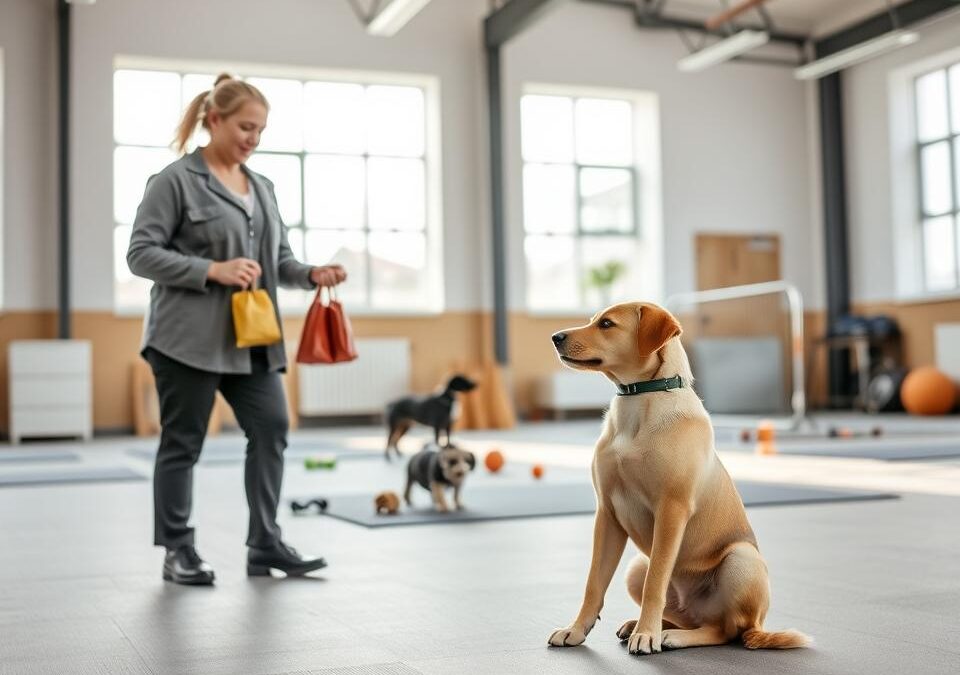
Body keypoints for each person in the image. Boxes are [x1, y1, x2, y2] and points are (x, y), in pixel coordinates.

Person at [127, 73, 346, 585]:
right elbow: (140, 253)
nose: (253, 138)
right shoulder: (173, 181)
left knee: (271, 428)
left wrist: (311, 273)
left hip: (252, 339)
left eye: (261, 131)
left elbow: (280, 261)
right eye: (246, 126)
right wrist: (211, 270)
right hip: (186, 340)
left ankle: (264, 542)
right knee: (183, 443)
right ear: (214, 119)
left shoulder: (262, 187)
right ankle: (177, 549)